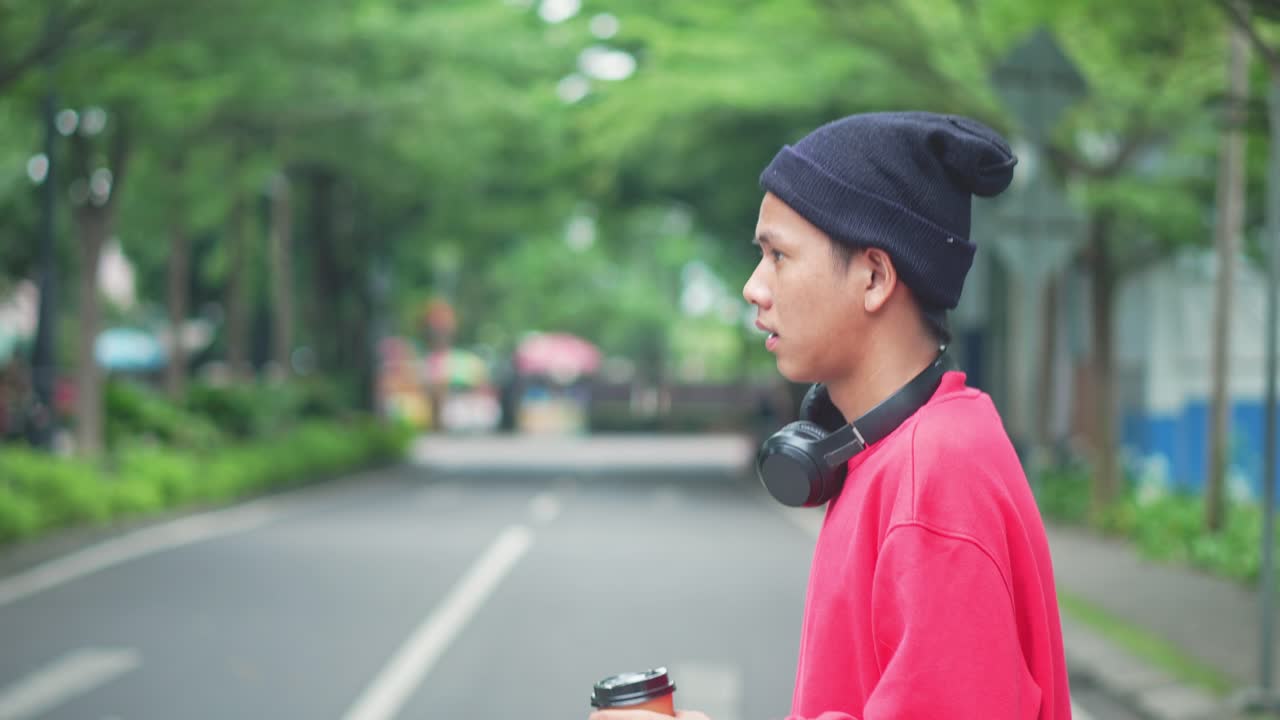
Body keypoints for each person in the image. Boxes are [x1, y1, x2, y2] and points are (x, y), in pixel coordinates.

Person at [590, 111, 1071, 720]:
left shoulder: (933, 481)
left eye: (778, 256)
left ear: (874, 277)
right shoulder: (893, 452)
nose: (753, 287)